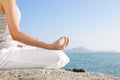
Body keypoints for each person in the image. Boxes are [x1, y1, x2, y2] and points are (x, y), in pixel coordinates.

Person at [0, 0, 70, 69]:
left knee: (60, 54)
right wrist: (49, 46)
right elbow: (15, 34)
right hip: (3, 53)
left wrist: (26, 44)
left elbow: (7, 36)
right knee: (59, 56)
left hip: (11, 48)